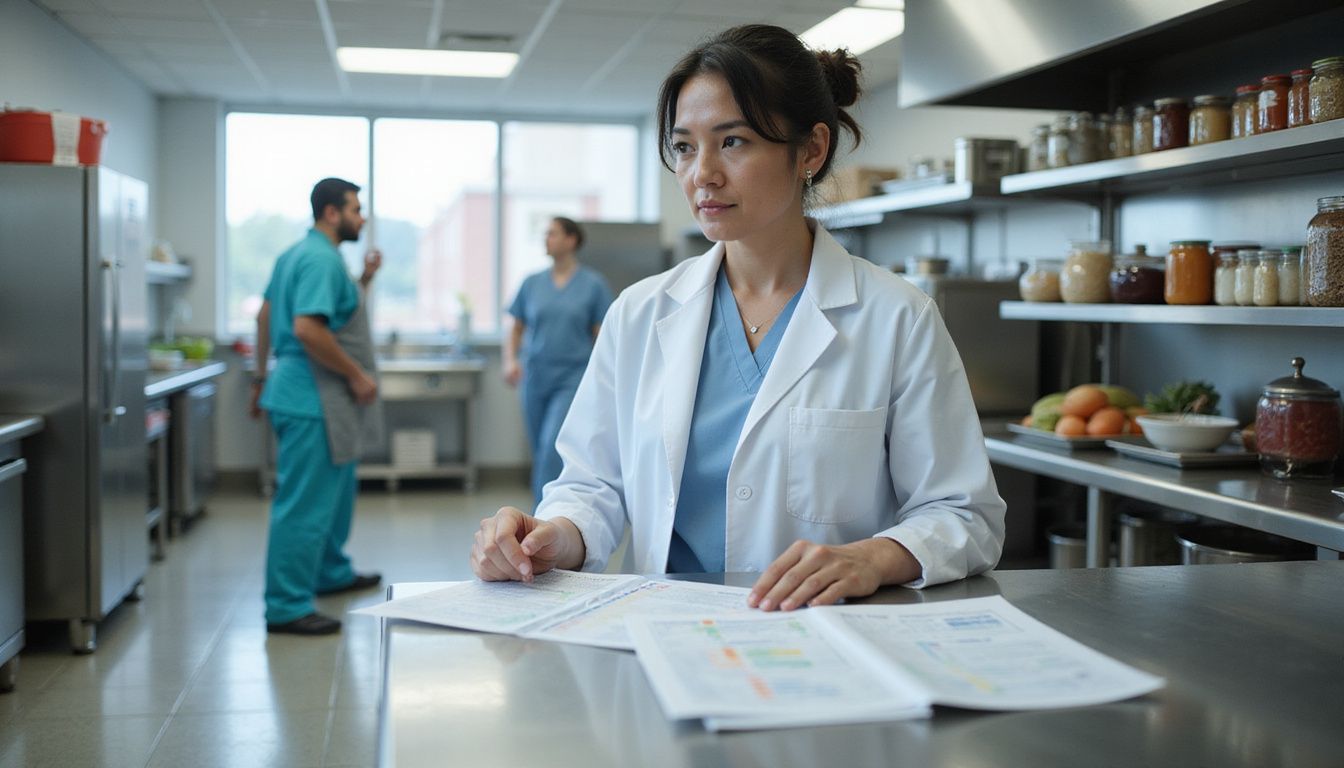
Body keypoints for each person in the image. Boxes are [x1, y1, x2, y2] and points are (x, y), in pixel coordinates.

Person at [471, 25, 1005, 609]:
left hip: (829, 641)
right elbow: (592, 485)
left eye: (733, 142)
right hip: (670, 633)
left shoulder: (898, 320)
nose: (703, 173)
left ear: (811, 151)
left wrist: (872, 557)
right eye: (683, 146)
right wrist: (555, 537)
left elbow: (964, 515)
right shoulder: (640, 314)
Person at [250, 177, 385, 635]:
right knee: (304, 505)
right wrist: (356, 374)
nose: (361, 217)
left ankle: (330, 572)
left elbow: (266, 315)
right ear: (332, 212)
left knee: (334, 495)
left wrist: (258, 376)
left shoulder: (296, 255)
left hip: (300, 391)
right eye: (355, 209)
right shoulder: (322, 259)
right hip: (314, 398)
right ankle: (286, 606)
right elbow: (308, 329)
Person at [502, 217, 614, 503]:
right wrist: (510, 361)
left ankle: (544, 515)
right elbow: (515, 327)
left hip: (573, 376)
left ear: (571, 240)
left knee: (552, 444)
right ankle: (553, 509)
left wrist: (605, 377)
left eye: (552, 233)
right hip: (535, 375)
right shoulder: (532, 283)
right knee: (539, 448)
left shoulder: (593, 285)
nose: (546, 239)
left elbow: (603, 336)